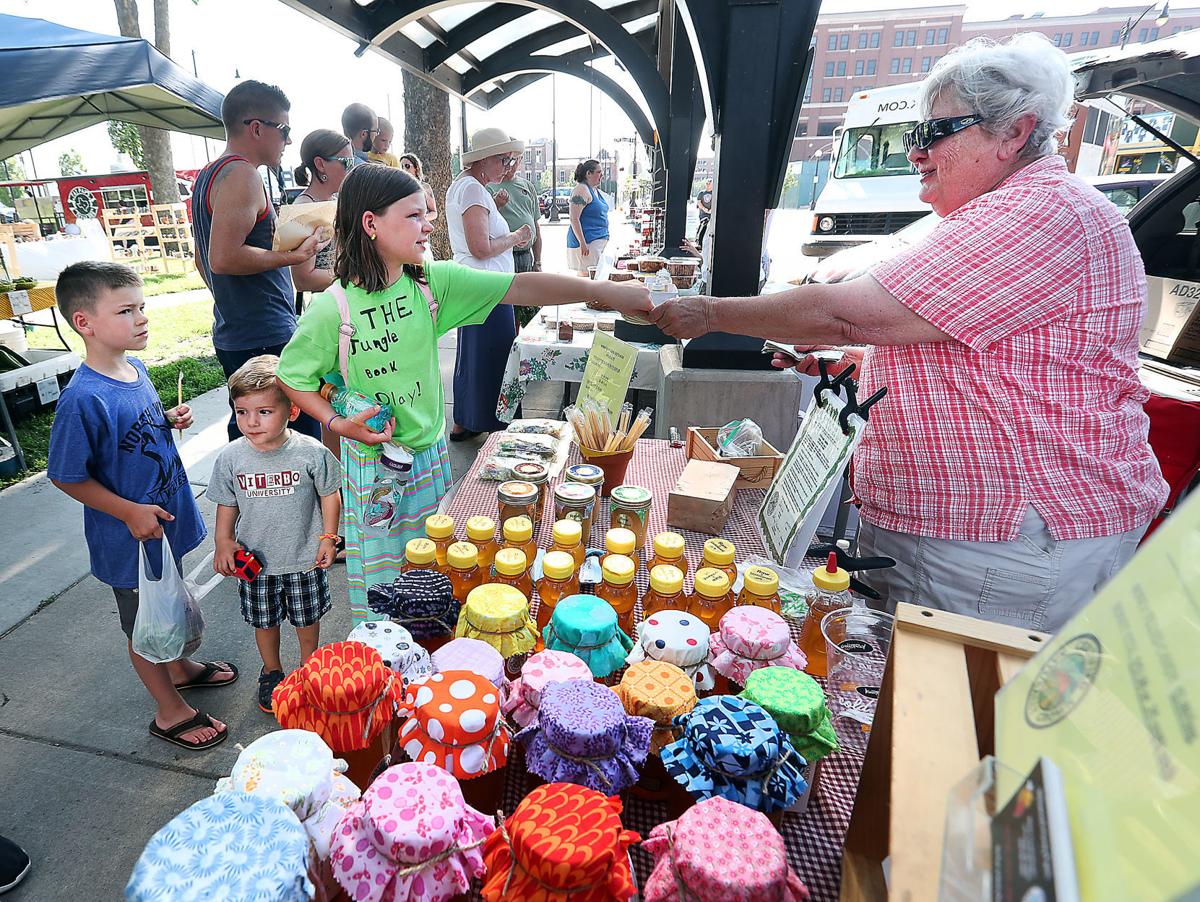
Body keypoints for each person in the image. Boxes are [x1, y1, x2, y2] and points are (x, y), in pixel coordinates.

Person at [649, 34, 1168, 633]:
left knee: (965, 711)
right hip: (966, 535)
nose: (916, 153)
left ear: (1014, 134)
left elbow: (851, 313)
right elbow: (985, 352)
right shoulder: (995, 210)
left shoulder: (1042, 213)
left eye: (934, 133)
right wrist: (865, 367)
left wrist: (707, 313)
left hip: (1006, 542)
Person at [276, 163, 650, 622]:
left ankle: (430, 649)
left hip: (429, 456)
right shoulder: (332, 308)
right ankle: (389, 665)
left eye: (427, 214)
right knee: (383, 586)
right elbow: (291, 376)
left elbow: (519, 285)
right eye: (414, 215)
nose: (429, 224)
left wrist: (604, 291)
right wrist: (336, 422)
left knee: (435, 570)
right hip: (372, 468)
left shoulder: (431, 282)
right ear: (371, 224)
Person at [47, 262, 237, 751]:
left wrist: (167, 419)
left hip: (161, 525)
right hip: (128, 537)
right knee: (144, 624)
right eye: (126, 310)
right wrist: (129, 511)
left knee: (166, 599)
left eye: (143, 307)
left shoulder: (136, 370)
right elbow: (66, 475)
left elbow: (133, 434)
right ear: (84, 322)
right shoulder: (83, 399)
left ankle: (182, 669)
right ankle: (169, 709)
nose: (142, 319)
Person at [208, 356, 342, 713]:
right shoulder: (232, 458)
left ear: (293, 411)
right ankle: (272, 672)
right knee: (264, 622)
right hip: (256, 563)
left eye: (264, 411)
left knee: (306, 618)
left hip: (302, 558)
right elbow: (227, 502)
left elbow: (330, 493)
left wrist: (329, 537)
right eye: (242, 412)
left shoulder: (311, 452)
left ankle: (309, 666)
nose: (251, 422)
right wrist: (223, 540)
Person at [191, 79, 322, 442]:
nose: (289, 141)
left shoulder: (210, 174)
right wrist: (292, 256)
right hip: (263, 332)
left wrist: (231, 300)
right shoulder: (242, 175)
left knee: (253, 436)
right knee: (292, 439)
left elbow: (203, 260)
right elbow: (222, 258)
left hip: (237, 330)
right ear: (256, 127)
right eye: (284, 130)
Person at [445, 128, 532, 441]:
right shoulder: (471, 190)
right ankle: (496, 426)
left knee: (475, 355)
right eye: (502, 158)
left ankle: (467, 421)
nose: (507, 165)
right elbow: (481, 247)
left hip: (480, 286)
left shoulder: (468, 187)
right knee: (494, 354)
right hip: (489, 288)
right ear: (483, 160)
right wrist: (516, 237)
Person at [291, 129, 356, 294]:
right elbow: (303, 279)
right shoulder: (304, 208)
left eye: (352, 162)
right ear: (320, 164)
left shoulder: (334, 200)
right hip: (327, 307)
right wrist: (355, 273)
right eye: (346, 162)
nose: (351, 169)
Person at [489, 154, 542, 273]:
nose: (509, 165)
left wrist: (537, 261)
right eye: (506, 160)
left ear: (520, 160)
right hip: (502, 255)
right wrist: (496, 204)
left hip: (526, 256)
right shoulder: (489, 186)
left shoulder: (528, 186)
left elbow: (535, 225)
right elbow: (484, 221)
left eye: (514, 160)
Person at [566, 159, 610, 276]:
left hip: (596, 241)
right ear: (588, 174)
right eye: (599, 172)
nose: (602, 175)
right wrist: (583, 243)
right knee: (588, 280)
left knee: (594, 279)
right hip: (588, 243)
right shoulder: (581, 190)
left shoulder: (594, 190)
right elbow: (574, 218)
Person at [399, 151, 438, 222]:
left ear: (416, 168)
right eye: (401, 167)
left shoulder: (425, 187)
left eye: (407, 166)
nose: (404, 169)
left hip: (421, 228)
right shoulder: (399, 188)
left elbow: (434, 213)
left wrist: (421, 219)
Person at [695, 177, 713, 245]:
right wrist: (704, 209)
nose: (707, 185)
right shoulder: (701, 193)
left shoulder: (714, 193)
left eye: (709, 184)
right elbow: (699, 203)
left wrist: (711, 210)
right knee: (703, 224)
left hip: (711, 214)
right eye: (707, 183)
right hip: (703, 214)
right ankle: (698, 240)